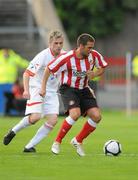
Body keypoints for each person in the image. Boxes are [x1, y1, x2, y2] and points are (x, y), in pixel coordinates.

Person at [40, 33, 108, 157]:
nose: (91, 50)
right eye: (89, 47)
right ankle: (57, 142)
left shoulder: (94, 55)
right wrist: (43, 87)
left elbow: (102, 67)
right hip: (68, 89)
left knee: (97, 116)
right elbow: (48, 69)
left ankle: (77, 140)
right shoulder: (66, 58)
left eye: (92, 47)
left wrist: (94, 74)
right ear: (80, 46)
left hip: (84, 89)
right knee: (75, 114)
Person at [3, 30, 65, 152]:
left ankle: (29, 146)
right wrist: (26, 90)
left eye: (60, 43)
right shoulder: (42, 56)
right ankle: (13, 131)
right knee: (35, 117)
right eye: (56, 43)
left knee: (53, 120)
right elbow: (27, 73)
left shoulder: (64, 56)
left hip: (51, 91)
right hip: (37, 88)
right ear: (50, 43)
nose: (58, 46)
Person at [0, 48, 29, 114]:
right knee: (1, 99)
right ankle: (2, 112)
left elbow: (23, 63)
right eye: (4, 51)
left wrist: (33, 65)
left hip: (11, 82)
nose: (6, 52)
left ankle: (12, 112)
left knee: (11, 98)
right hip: (1, 82)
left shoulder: (14, 57)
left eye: (7, 51)